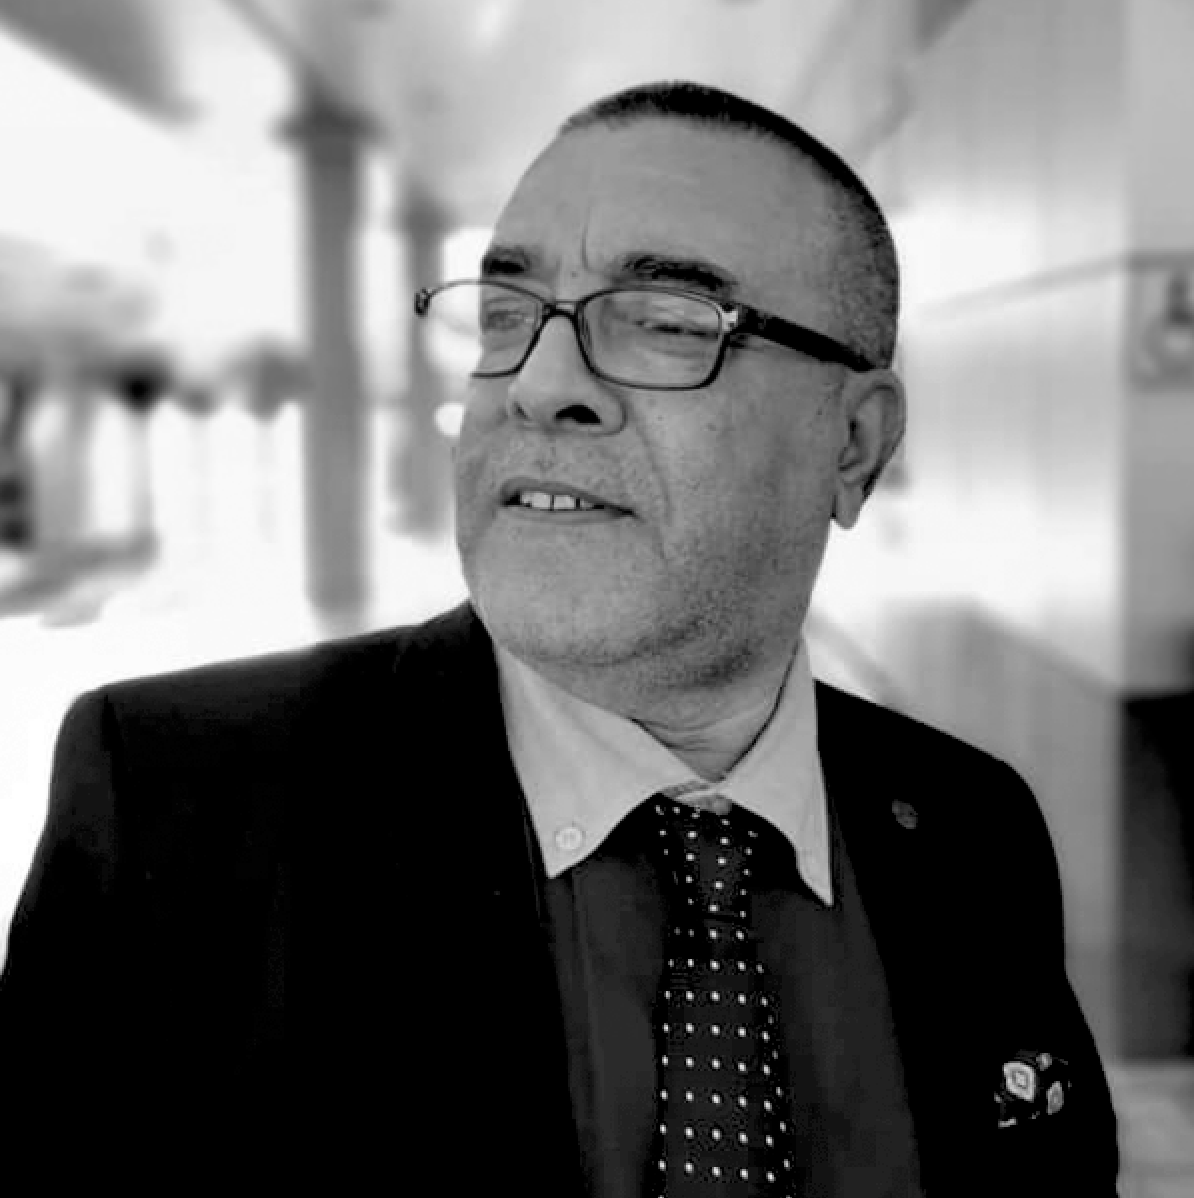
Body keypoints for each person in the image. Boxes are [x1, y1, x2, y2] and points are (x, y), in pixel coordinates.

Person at [0, 81, 1119, 1196]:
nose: (538, 387)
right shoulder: (176, 805)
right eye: (505, 314)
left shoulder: (971, 830)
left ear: (855, 443)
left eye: (667, 323)